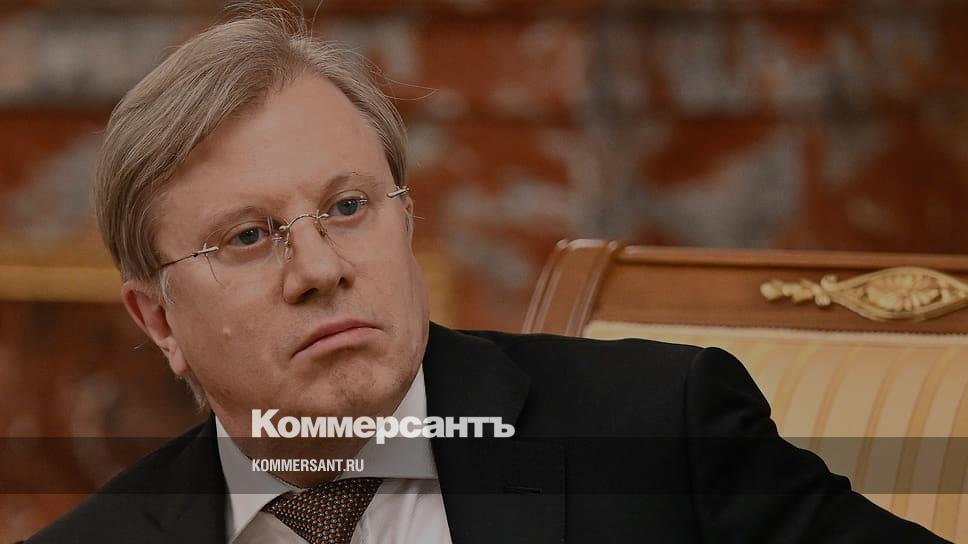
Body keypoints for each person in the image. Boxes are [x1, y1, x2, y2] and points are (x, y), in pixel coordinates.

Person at [27, 8, 948, 544]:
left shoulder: (661, 434)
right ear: (158, 321)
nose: (320, 269)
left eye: (347, 207)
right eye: (246, 237)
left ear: (405, 218)